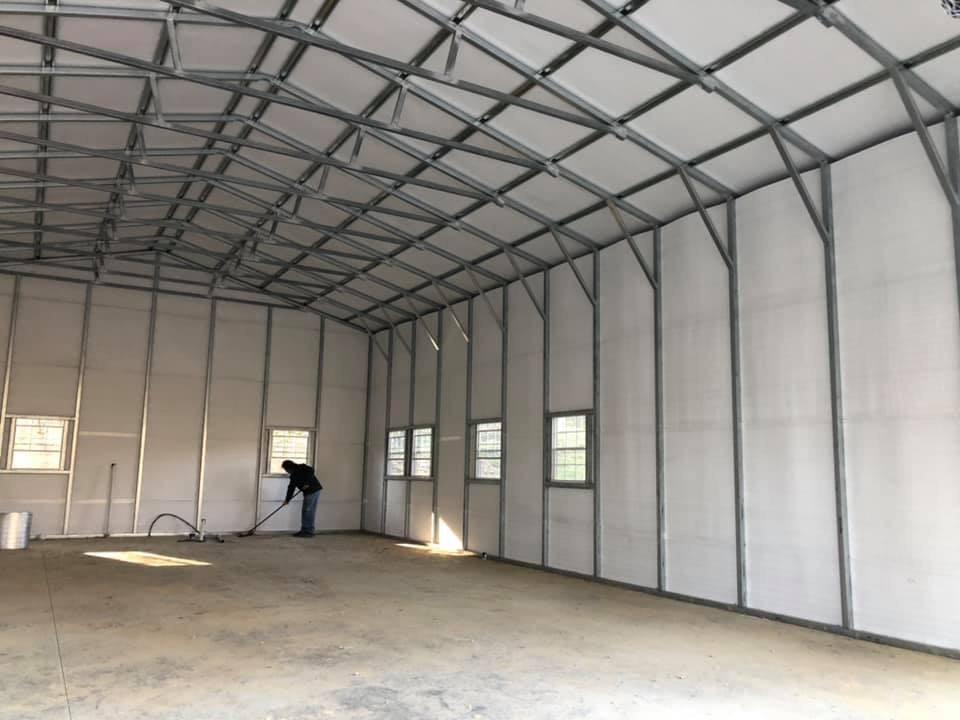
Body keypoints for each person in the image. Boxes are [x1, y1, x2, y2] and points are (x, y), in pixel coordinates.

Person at [282, 460, 323, 537]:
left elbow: (311, 470)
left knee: (307, 511)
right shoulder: (293, 476)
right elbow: (291, 488)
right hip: (310, 492)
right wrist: (287, 500)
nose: (287, 472)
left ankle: (308, 532)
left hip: (313, 490)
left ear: (290, 468)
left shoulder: (302, 467)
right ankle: (306, 530)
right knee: (308, 511)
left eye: (286, 470)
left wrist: (307, 482)